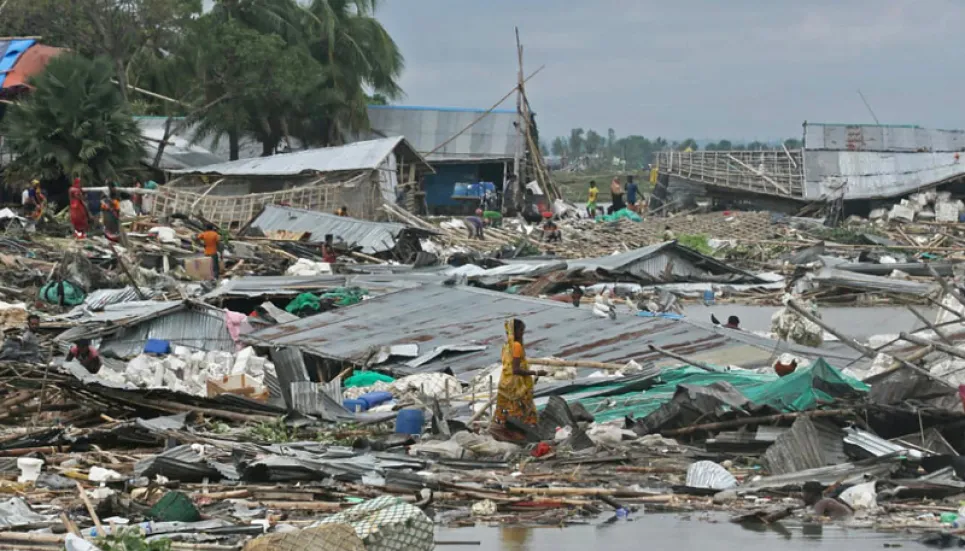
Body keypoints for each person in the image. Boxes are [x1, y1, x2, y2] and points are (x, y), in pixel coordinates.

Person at [491, 319, 548, 442]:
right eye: (521, 330)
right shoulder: (516, 346)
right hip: (516, 385)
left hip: (505, 382)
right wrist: (536, 372)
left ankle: (505, 433)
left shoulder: (506, 346)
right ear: (514, 331)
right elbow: (516, 369)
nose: (522, 333)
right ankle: (523, 436)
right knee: (523, 410)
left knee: (504, 410)